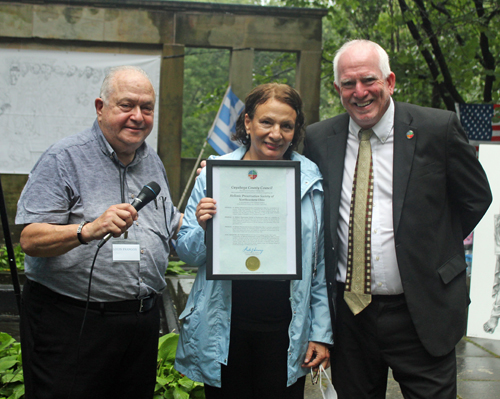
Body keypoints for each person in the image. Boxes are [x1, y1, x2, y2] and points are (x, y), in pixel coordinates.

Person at [303, 39, 492, 398]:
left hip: (421, 311)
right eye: (348, 84)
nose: (359, 92)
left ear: (389, 82)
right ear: (337, 89)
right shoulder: (318, 138)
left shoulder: (437, 129)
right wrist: (226, 170)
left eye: (368, 80)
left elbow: (476, 198)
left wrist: (432, 245)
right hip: (349, 317)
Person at [15, 66, 182, 399]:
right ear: (100, 107)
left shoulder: (153, 162)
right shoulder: (63, 158)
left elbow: (169, 223)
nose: (138, 116)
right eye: (126, 105)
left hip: (140, 323)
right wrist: (87, 229)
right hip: (72, 323)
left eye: (147, 107)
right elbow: (29, 240)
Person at [174, 83, 333, 399]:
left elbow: (319, 267)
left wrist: (320, 333)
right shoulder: (214, 176)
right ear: (248, 122)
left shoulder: (310, 178)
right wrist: (207, 229)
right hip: (225, 329)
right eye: (267, 122)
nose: (276, 133)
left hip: (287, 331)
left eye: (286, 125)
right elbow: (187, 253)